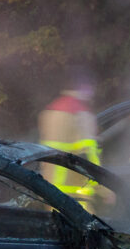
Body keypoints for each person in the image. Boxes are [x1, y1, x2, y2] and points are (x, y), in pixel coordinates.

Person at [38, 70, 101, 209]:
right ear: (84, 87)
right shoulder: (81, 114)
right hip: (76, 197)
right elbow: (91, 157)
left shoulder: (49, 112)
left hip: (51, 192)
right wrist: (104, 188)